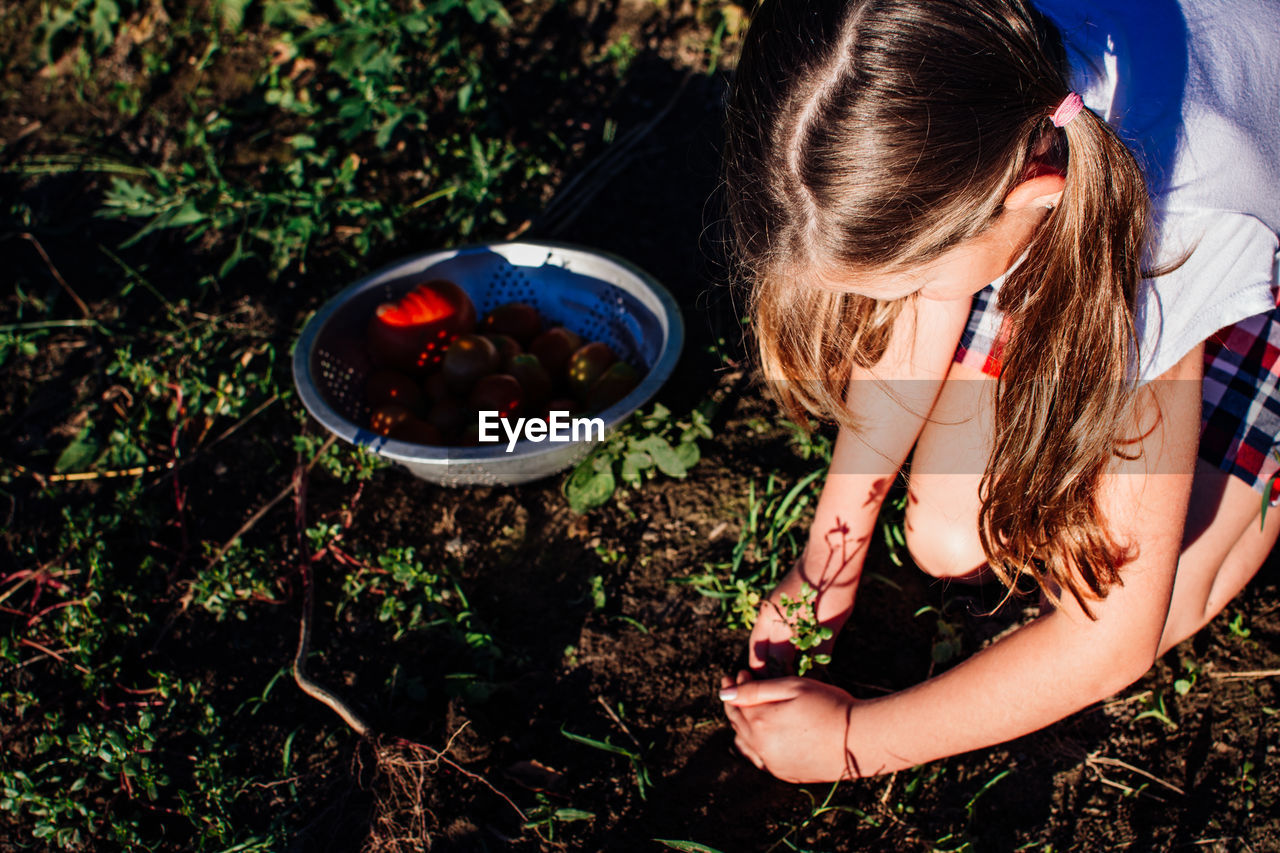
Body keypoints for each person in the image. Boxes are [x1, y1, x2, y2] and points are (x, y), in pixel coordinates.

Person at [717, 0, 1280, 782]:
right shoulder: (953, 54)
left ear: (1031, 191)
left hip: (1237, 253)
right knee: (947, 537)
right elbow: (934, 301)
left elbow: (1108, 641)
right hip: (1113, 206)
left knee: (1168, 595)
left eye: (910, 280)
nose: (901, 304)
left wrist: (853, 741)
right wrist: (826, 563)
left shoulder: (1167, 231)